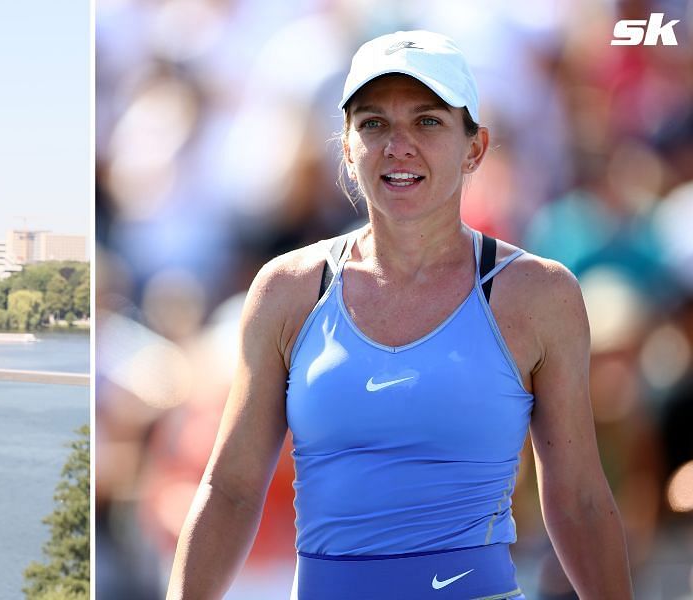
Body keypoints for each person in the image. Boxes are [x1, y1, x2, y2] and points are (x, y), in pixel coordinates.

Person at [166, 30, 632, 599]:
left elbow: (579, 500)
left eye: (428, 121)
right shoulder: (286, 291)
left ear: (475, 147)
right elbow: (230, 491)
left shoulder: (540, 295)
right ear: (346, 146)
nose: (398, 145)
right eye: (374, 123)